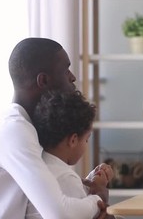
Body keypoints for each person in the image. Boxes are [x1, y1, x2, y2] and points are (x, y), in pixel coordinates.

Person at [0, 38, 113, 219]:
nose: (73, 77)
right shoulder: (14, 131)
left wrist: (87, 187)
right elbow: (59, 214)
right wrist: (97, 199)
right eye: (66, 70)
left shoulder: (27, 125)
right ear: (43, 80)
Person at [25, 90, 107, 219]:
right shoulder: (66, 178)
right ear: (73, 140)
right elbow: (90, 212)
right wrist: (100, 190)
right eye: (86, 139)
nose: (86, 144)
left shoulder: (40, 168)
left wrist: (92, 179)